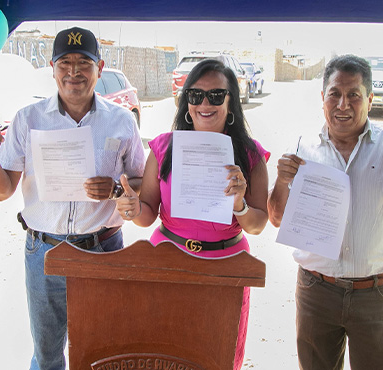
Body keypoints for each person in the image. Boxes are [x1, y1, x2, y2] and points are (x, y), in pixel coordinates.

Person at [267, 54, 383, 370]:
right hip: (317, 292)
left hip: (377, 295)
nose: (343, 104)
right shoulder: (304, 149)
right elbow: (276, 218)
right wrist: (283, 180)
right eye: (335, 94)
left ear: (369, 99)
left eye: (354, 95)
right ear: (323, 98)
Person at [0, 26, 145, 370]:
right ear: (52, 67)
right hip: (44, 250)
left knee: (102, 350)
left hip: (102, 248)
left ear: (99, 67)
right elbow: (2, 190)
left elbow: (141, 180)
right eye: (64, 62)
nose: (73, 72)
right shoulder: (28, 119)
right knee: (48, 353)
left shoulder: (122, 121)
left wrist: (115, 189)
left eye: (83, 62)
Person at [115, 59, 270, 370]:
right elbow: (148, 214)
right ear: (186, 101)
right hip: (167, 263)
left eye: (215, 96)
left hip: (226, 267)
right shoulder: (164, 147)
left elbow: (257, 224)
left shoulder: (250, 154)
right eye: (195, 95)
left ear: (230, 101)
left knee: (218, 356)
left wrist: (239, 204)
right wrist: (132, 209)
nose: (204, 104)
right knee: (164, 355)